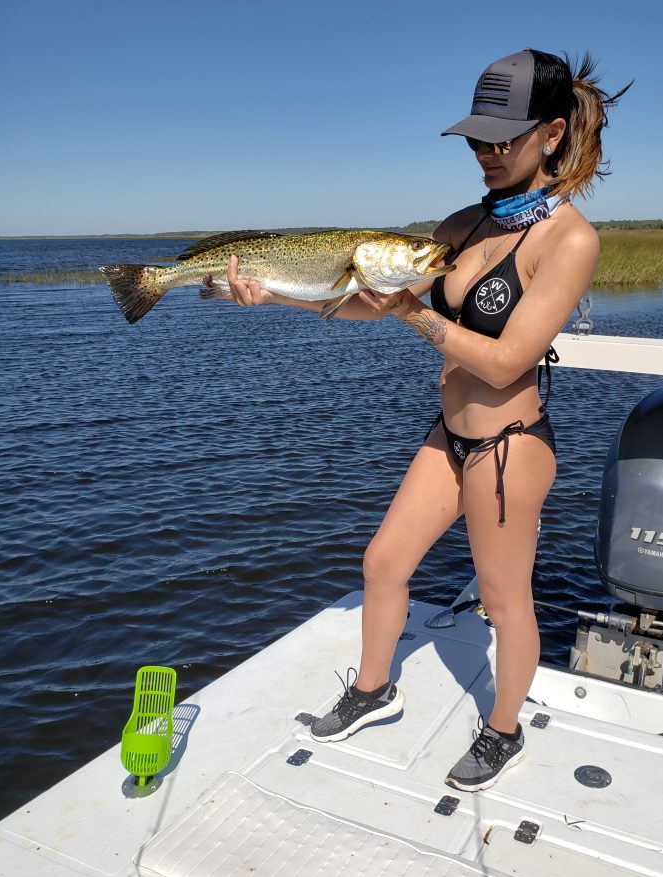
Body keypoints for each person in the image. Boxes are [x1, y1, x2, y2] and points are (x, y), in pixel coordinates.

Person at [226, 48, 630, 792]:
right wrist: (271, 292)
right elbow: (360, 301)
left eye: (502, 138)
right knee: (382, 563)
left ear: (550, 134)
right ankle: (374, 690)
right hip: (448, 437)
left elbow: (507, 364)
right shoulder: (460, 224)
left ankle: (503, 730)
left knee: (506, 603)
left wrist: (414, 311)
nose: (486, 153)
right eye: (477, 139)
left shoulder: (570, 239)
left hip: (509, 446)